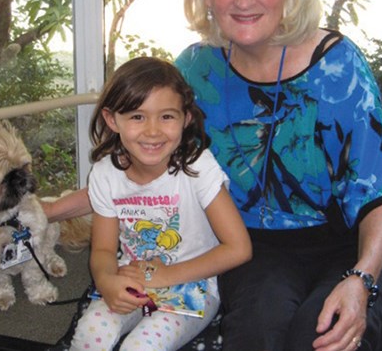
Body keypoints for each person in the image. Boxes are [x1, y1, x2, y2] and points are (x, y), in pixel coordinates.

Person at [44, 0, 382, 351]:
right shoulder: (195, 69)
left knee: (325, 337)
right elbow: (136, 164)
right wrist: (45, 211)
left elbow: (378, 189)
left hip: (348, 238)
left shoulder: (338, 67)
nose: (243, 0)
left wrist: (362, 280)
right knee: (254, 336)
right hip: (249, 244)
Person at [68, 57, 252, 351]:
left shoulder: (198, 167)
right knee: (89, 335)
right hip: (131, 275)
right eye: (137, 117)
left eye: (166, 116)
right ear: (112, 119)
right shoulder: (105, 174)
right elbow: (103, 249)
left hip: (193, 283)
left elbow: (239, 248)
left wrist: (164, 276)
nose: (152, 131)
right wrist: (106, 282)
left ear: (186, 118)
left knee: (140, 347)